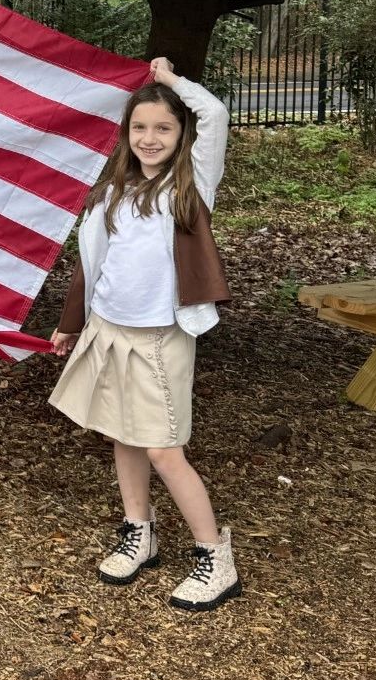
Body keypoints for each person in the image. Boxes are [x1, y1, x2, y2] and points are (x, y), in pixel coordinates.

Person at [49, 57, 240, 612]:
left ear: (181, 136)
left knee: (163, 446)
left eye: (163, 128)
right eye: (140, 128)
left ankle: (214, 555)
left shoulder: (191, 185)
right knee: (122, 432)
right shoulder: (115, 192)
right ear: (126, 134)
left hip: (161, 337)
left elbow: (216, 112)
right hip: (109, 328)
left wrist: (171, 82)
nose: (150, 138)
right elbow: (92, 265)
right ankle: (141, 531)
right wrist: (70, 324)